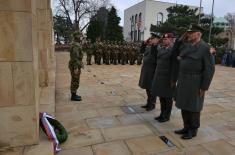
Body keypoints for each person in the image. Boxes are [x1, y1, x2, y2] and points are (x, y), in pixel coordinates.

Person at [173, 24, 215, 139]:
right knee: (183, 105)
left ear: (198, 34)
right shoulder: (187, 46)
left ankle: (193, 130)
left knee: (194, 107)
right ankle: (186, 127)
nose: (189, 34)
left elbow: (209, 69)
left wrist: (204, 87)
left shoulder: (205, 48)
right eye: (188, 32)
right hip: (183, 80)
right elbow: (175, 50)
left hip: (195, 82)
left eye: (191, 33)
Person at [151, 33, 176, 122]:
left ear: (171, 40)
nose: (164, 40)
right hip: (160, 76)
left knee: (168, 98)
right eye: (164, 39)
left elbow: (175, 66)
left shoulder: (173, 50)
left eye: (166, 39)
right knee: (161, 97)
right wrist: (154, 44)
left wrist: (173, 79)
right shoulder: (161, 48)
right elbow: (154, 55)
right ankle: (162, 114)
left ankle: (166, 116)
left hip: (168, 77)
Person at [139, 32, 161, 111]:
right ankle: (149, 102)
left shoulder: (158, 48)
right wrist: (144, 44)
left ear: (157, 40)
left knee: (151, 88)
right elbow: (141, 51)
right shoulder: (149, 47)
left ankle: (152, 104)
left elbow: (155, 54)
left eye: (152, 38)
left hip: (152, 71)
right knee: (147, 87)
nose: (150, 40)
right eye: (150, 38)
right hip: (146, 70)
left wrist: (155, 44)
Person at [68, 31, 84, 101]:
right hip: (75, 65)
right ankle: (73, 96)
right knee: (75, 80)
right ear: (77, 37)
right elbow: (74, 57)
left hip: (76, 64)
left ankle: (74, 94)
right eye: (80, 36)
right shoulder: (75, 45)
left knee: (75, 79)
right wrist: (76, 67)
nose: (81, 37)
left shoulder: (76, 44)